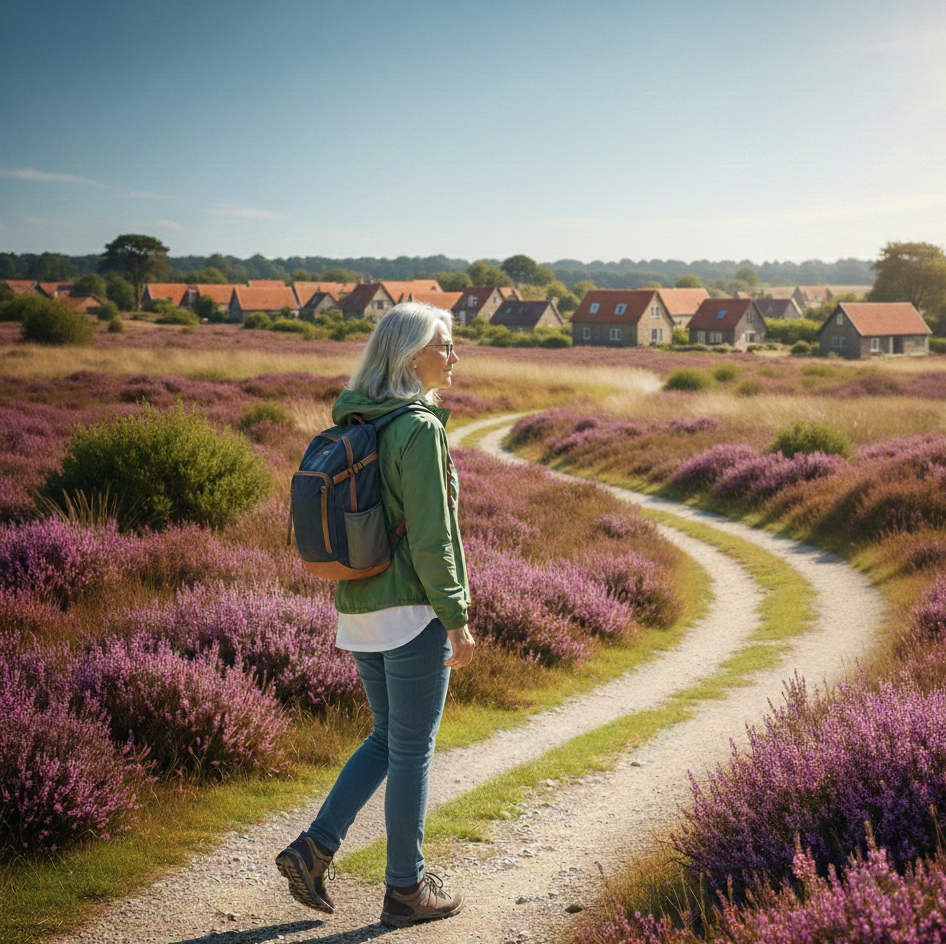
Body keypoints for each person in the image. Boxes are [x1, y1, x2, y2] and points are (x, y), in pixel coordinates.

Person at [276, 301, 475, 929]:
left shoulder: (359, 418)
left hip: (358, 609)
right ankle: (406, 890)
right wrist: (457, 616)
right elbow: (431, 537)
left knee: (388, 739)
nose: (453, 355)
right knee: (413, 749)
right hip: (412, 612)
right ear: (411, 353)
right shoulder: (418, 428)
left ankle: (313, 849)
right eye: (444, 344)